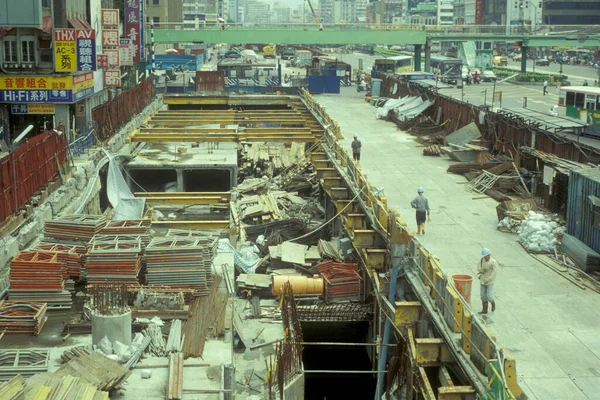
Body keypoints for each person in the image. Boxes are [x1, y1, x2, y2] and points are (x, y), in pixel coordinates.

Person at [477, 248, 498, 314]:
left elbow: (494, 273)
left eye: (485, 256)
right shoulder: (482, 260)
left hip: (489, 282)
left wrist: (489, 279)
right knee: (483, 295)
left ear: (489, 255)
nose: (484, 257)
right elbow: (478, 268)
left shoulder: (493, 262)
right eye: (484, 256)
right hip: (483, 280)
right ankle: (484, 309)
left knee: (489, 295)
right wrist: (483, 270)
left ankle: (492, 302)